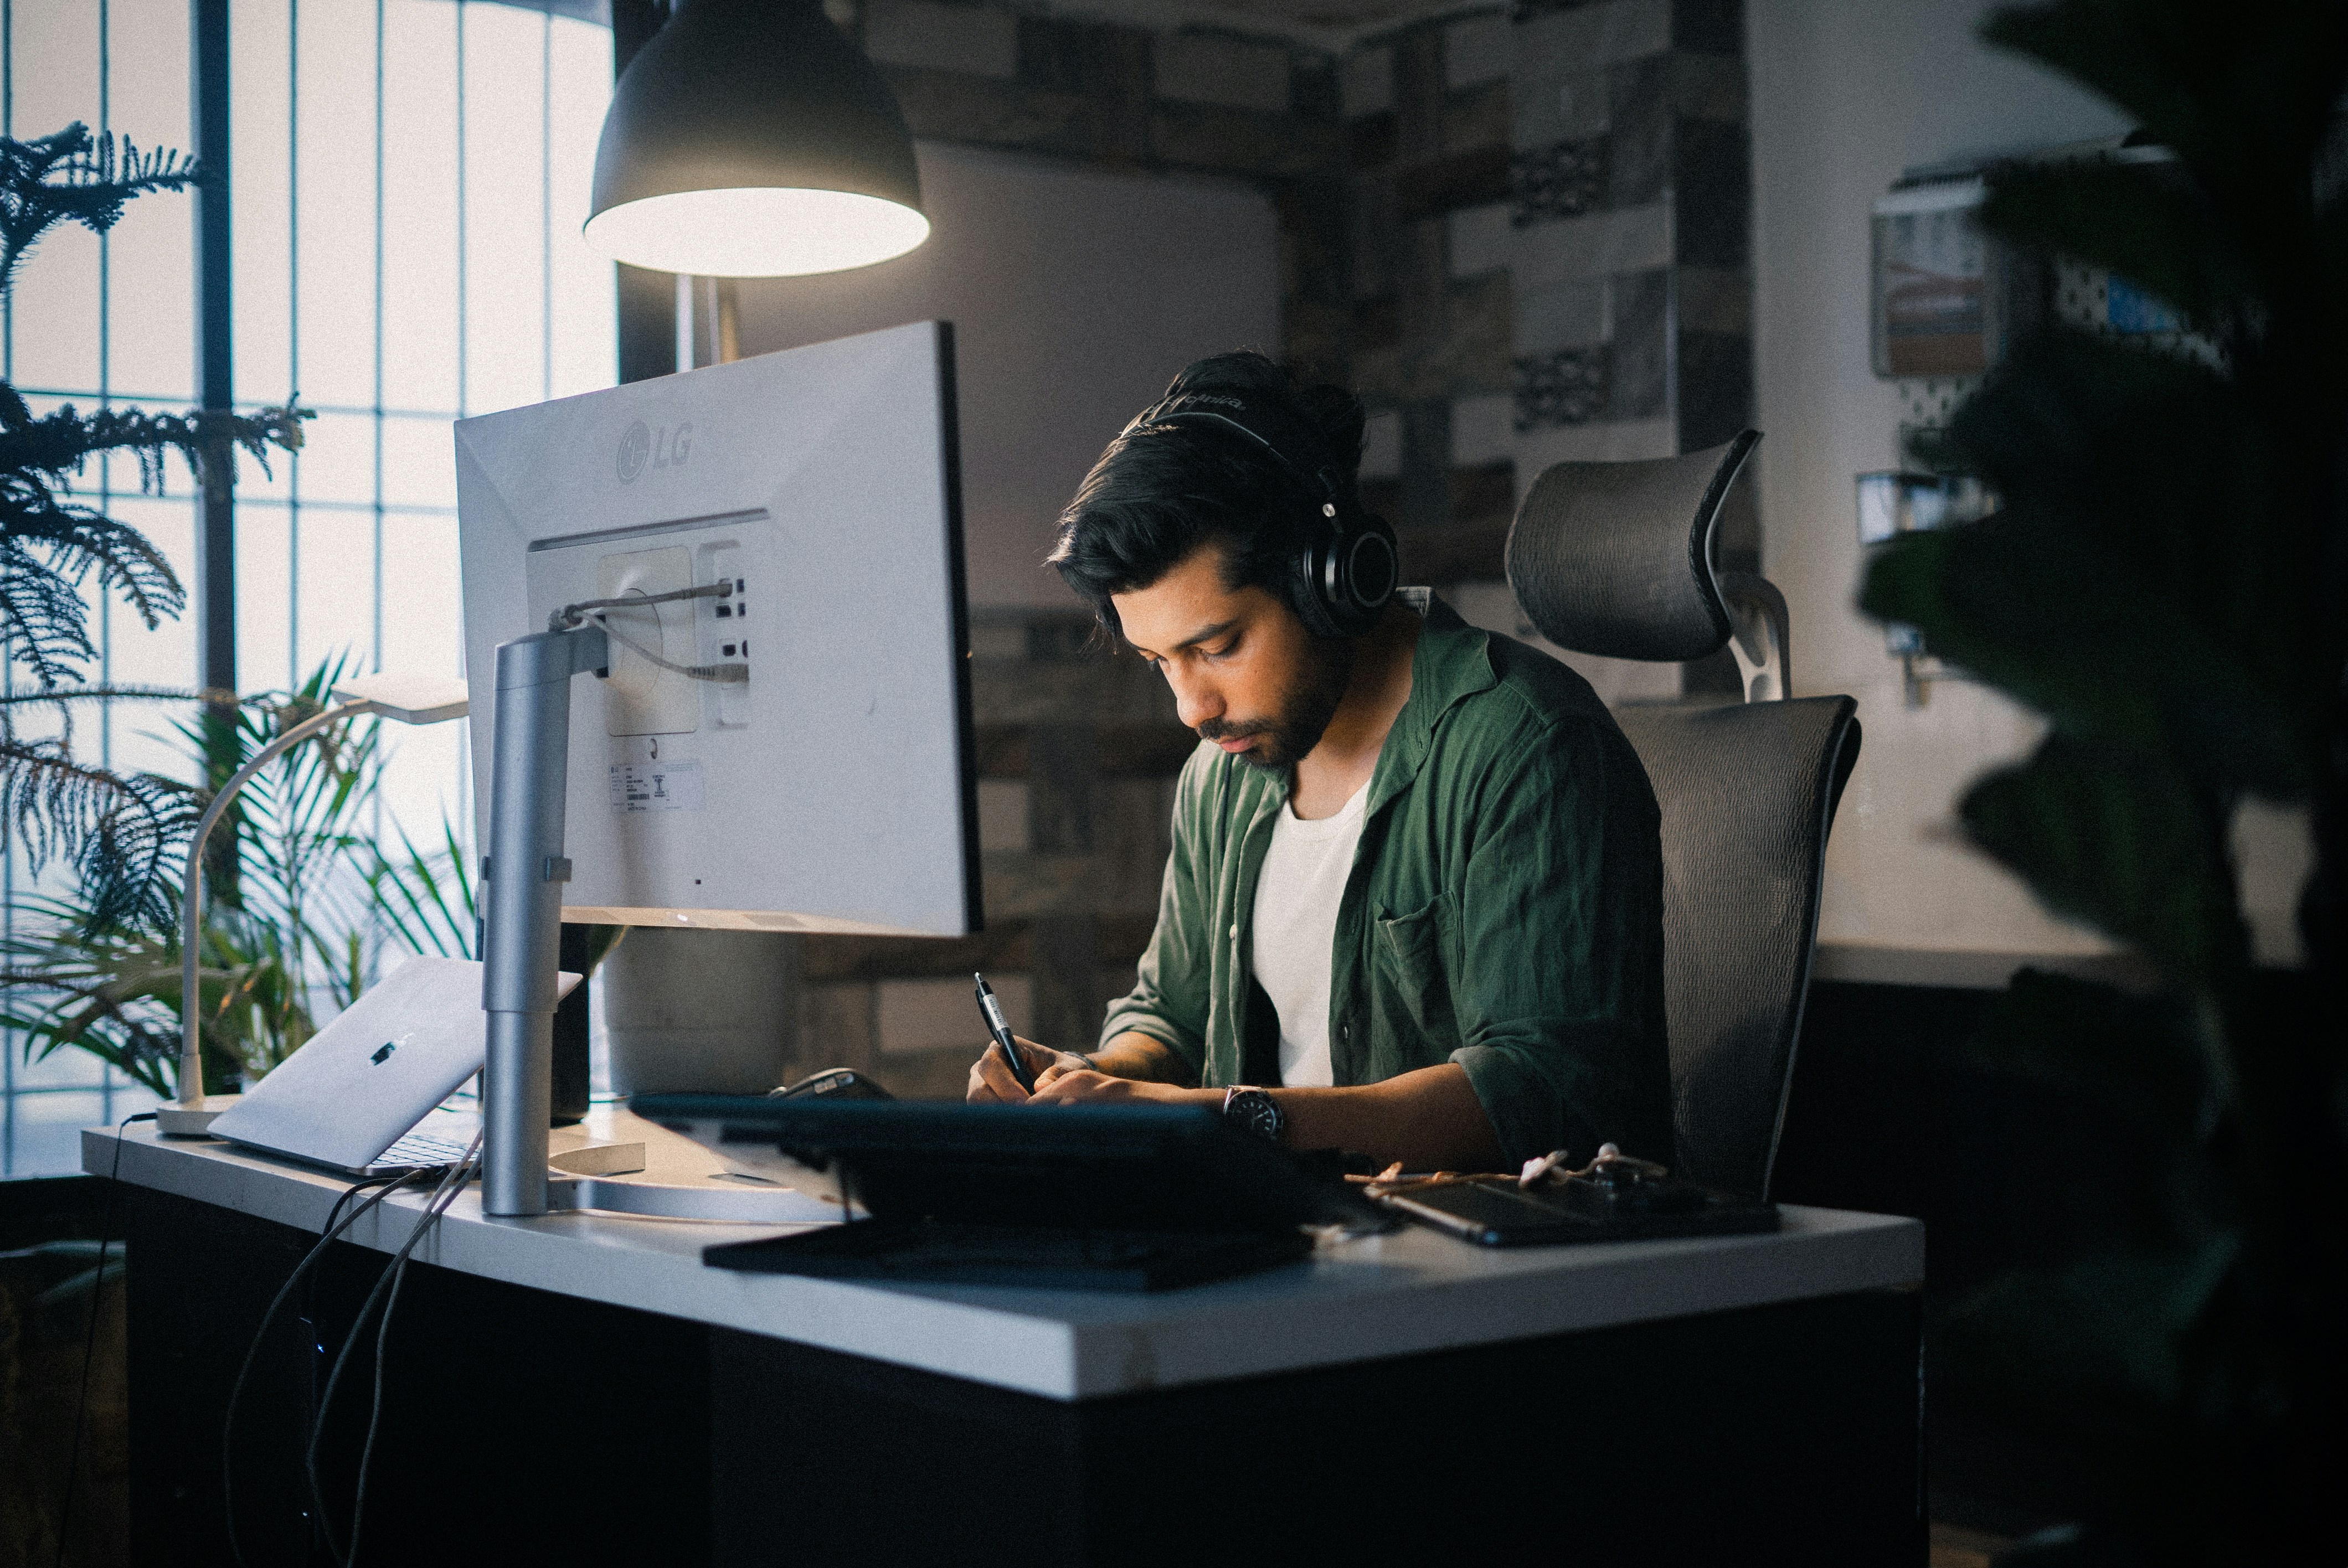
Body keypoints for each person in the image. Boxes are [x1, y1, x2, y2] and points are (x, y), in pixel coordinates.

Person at [967, 351, 1672, 1173]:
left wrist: (1226, 1117)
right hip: (1304, 1252)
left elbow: (1547, 1092)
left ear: (1331, 580)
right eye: (1160, 661)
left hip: (1484, 1271)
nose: (1192, 709)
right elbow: (1176, 1014)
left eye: (1219, 646)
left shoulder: (1527, 746)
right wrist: (1097, 1082)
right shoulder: (1221, 776)